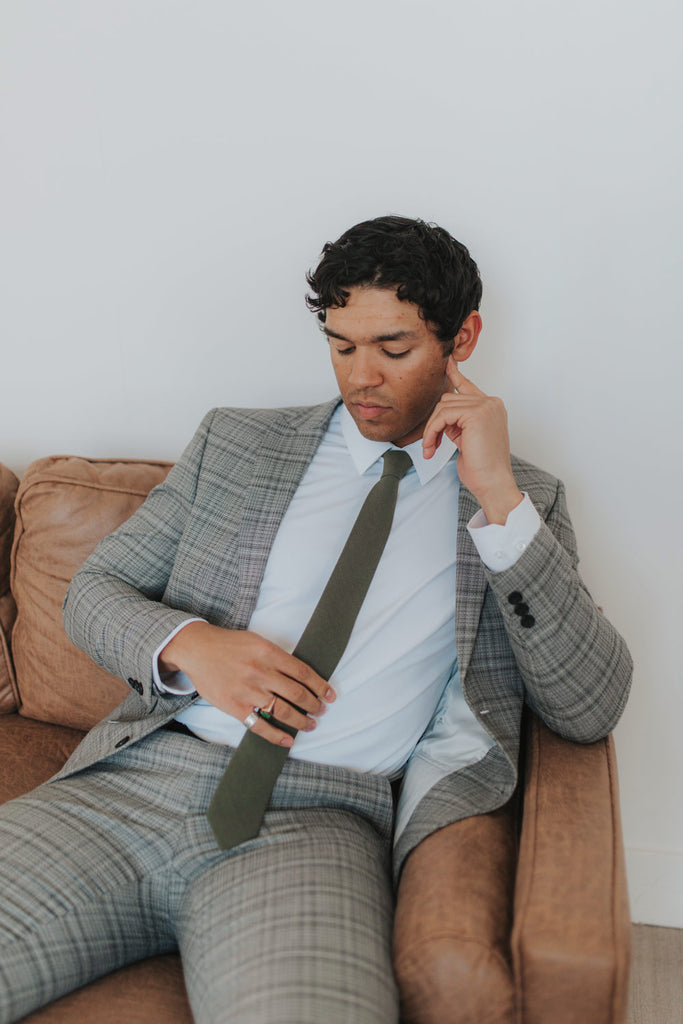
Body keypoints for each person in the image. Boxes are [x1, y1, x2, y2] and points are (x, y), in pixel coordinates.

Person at [0, 216, 632, 1024]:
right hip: (135, 785)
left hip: (316, 825)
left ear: (461, 336)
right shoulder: (236, 443)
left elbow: (589, 705)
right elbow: (95, 592)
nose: (360, 376)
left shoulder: (520, 500)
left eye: (392, 348)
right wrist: (193, 647)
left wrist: (499, 496)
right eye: (340, 346)